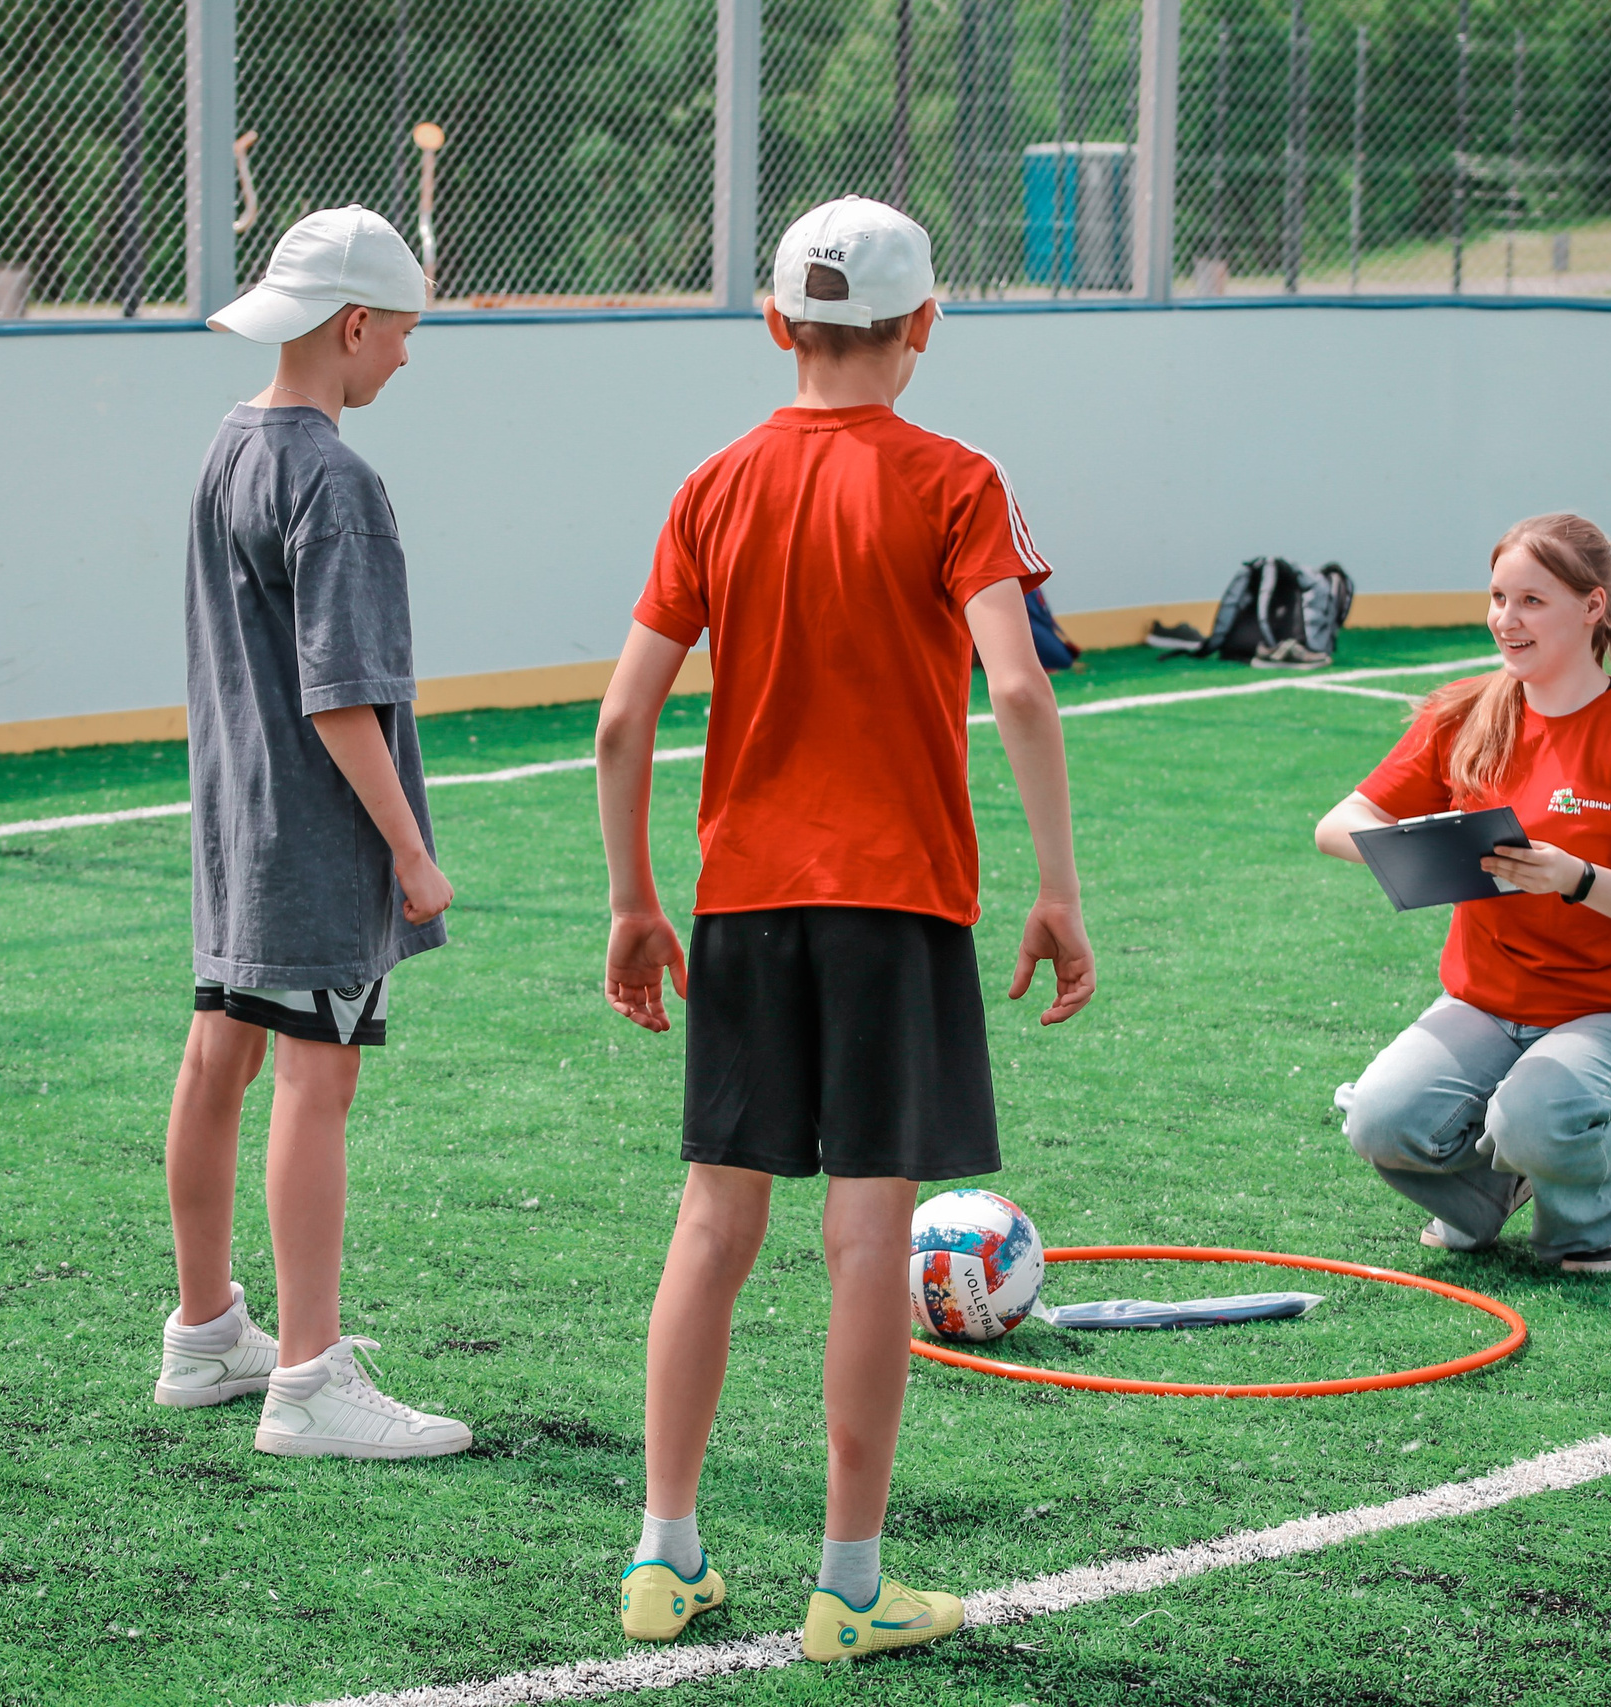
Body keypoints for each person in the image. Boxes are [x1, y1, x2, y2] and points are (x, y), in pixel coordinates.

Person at [596, 196, 1097, 1660]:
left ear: (775, 323)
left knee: (713, 1222)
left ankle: (663, 1556)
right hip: (896, 902)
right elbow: (1018, 686)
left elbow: (622, 719)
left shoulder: (712, 484)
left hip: (743, 901)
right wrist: (1057, 885)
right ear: (924, 324)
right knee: (868, 1232)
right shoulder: (958, 479)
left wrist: (633, 900)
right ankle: (850, 1586)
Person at [151, 205, 472, 1460]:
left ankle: (204, 1334)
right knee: (316, 1080)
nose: (406, 354)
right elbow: (341, 697)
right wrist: (409, 850)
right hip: (315, 840)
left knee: (215, 1060)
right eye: (401, 331)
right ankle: (308, 1379)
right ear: (352, 325)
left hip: (236, 825)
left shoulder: (228, 445)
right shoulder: (337, 480)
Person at [1312, 513, 1611, 1274]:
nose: (1506, 619)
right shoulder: (1465, 711)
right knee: (1380, 1120)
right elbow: (1338, 824)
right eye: (1498, 597)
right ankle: (1493, 1191)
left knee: (1534, 1115)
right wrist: (1429, 845)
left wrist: (1576, 877)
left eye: (1532, 600)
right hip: (1485, 1003)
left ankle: (1603, 1208)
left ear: (1593, 606)